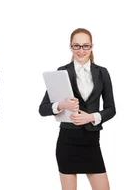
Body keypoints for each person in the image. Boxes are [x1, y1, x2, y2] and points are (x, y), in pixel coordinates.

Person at [38, 28, 115, 190]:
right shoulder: (62, 72)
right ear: (70, 47)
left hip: (92, 142)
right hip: (67, 141)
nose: (81, 51)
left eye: (85, 46)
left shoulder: (102, 73)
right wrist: (62, 105)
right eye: (77, 46)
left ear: (92, 46)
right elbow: (43, 109)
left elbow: (111, 109)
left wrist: (91, 117)